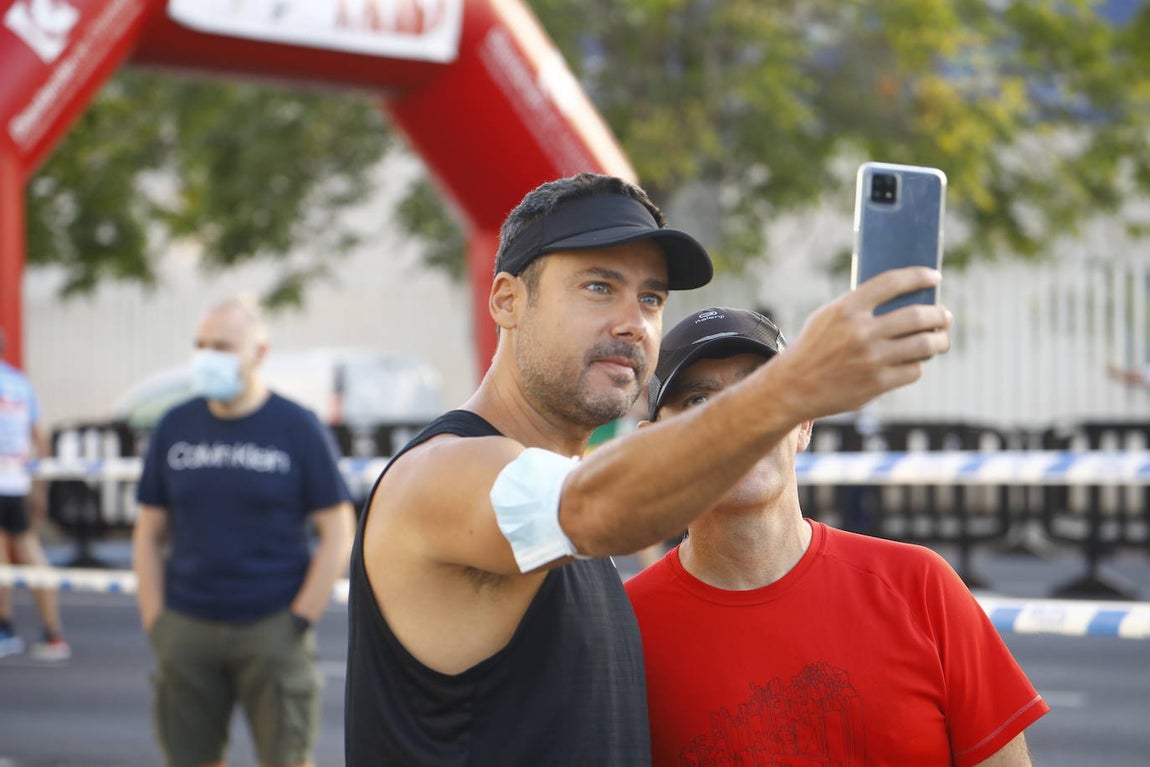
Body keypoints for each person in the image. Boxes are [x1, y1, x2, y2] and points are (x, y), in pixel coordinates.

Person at [345, 171, 953, 765]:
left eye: (651, 297)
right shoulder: (443, 471)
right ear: (507, 300)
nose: (632, 322)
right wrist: (791, 386)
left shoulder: (562, 492)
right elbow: (595, 507)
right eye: (598, 287)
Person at [626, 306, 1049, 767]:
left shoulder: (920, 587)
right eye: (699, 402)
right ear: (654, 443)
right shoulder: (622, 629)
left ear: (805, 422)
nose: (738, 422)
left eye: (761, 392)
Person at [132, 296, 355, 767]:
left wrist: (299, 619)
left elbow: (337, 528)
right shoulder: (175, 425)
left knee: (288, 759)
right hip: (187, 628)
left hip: (272, 627)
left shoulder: (297, 426)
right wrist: (157, 622)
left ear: (259, 352)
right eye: (201, 345)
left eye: (223, 346)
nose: (208, 356)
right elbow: (149, 531)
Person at [0, 328, 71, 661]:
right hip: (17, 481)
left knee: (13, 557)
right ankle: (50, 631)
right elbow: (40, 438)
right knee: (23, 553)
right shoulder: (19, 383)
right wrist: (39, 487)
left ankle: (9, 630)